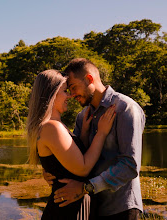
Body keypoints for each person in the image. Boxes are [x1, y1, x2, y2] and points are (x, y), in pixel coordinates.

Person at [44, 58, 146, 219]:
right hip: (91, 208)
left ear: (89, 79)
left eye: (73, 87)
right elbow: (76, 159)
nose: (71, 95)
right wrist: (50, 169)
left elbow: (130, 165)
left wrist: (87, 187)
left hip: (121, 207)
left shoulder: (125, 108)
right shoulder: (82, 117)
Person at [27, 69, 116, 219]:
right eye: (64, 91)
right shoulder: (51, 127)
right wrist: (101, 133)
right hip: (65, 211)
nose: (70, 95)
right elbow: (82, 169)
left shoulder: (56, 125)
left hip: (71, 206)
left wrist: (84, 135)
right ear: (51, 95)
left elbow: (67, 161)